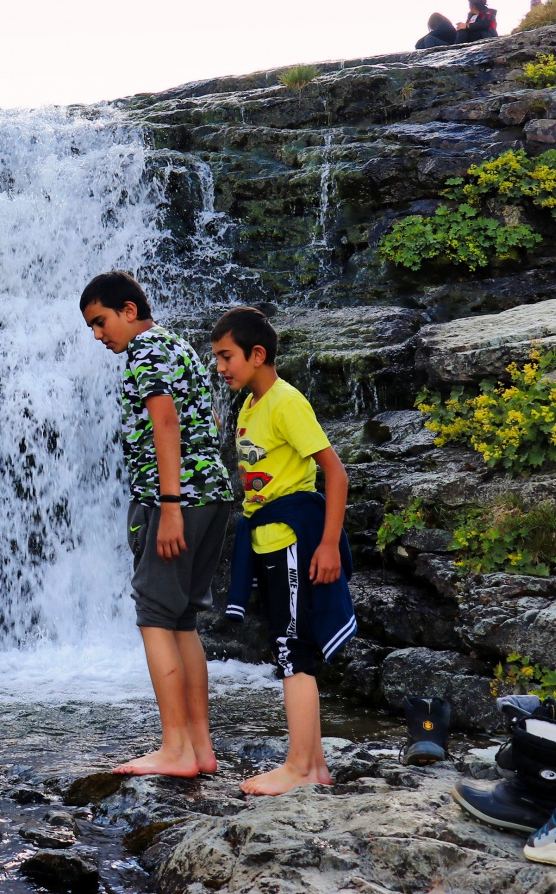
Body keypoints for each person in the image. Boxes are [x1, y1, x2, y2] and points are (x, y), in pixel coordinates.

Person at [80, 271, 236, 778]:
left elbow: (165, 423)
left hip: (179, 500)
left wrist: (169, 507)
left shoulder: (145, 353)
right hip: (212, 496)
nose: (99, 336)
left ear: (129, 310)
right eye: (91, 328)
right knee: (183, 619)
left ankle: (174, 749)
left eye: (101, 322)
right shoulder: (181, 348)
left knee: (153, 615)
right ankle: (200, 748)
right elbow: (207, 423)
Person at [208, 306, 355, 796]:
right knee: (288, 647)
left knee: (294, 652)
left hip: (292, 541)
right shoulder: (249, 406)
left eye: (226, 357)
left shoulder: (286, 401)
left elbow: (336, 473)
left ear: (257, 354)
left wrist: (329, 544)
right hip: (267, 541)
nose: (220, 367)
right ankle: (313, 764)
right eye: (216, 358)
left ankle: (298, 767)